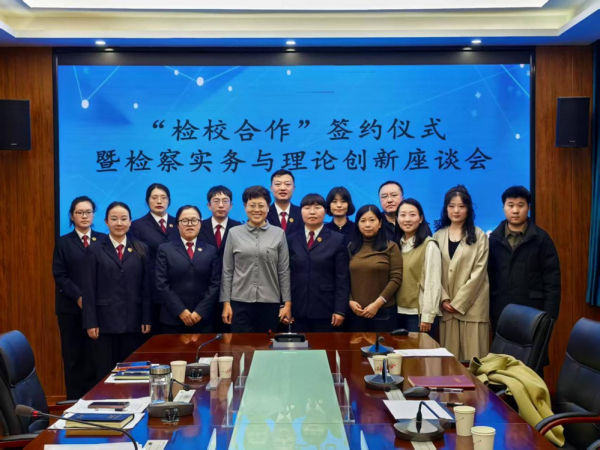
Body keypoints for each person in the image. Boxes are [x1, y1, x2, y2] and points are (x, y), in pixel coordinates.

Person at [83, 202, 151, 380]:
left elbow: (146, 288)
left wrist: (146, 318)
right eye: (114, 219)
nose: (119, 223)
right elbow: (89, 288)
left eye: (123, 219)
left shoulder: (141, 249)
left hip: (134, 322)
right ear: (106, 222)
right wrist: (91, 322)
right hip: (104, 324)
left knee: (132, 373)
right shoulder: (94, 249)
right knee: (105, 372)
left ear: (130, 222)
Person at [52, 196, 106, 399]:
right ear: (72, 216)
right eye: (79, 212)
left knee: (95, 357)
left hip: (99, 310)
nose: (84, 216)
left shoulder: (103, 240)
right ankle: (74, 401)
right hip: (71, 309)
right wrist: (80, 296)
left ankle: (95, 399)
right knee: (73, 357)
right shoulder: (63, 242)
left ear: (94, 215)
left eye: (88, 212)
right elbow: (60, 275)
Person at [488, 186, 560, 333]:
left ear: (528, 208)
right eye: (510, 205)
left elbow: (552, 282)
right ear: (503, 208)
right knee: (502, 348)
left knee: (533, 349)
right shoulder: (493, 240)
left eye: (520, 205)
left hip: (534, 313)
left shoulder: (542, 239)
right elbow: (488, 279)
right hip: (501, 312)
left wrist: (550, 317)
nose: (515, 210)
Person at [221, 186, 292, 333]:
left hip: (269, 303)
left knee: (267, 345)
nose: (256, 210)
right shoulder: (234, 233)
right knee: (240, 345)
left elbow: (284, 271)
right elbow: (227, 271)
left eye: (261, 205)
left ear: (268, 207)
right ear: (245, 207)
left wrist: (287, 303)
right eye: (252, 205)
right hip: (239, 302)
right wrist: (226, 303)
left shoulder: (279, 234)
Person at [433, 185, 489, 360]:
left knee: (474, 360)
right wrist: (443, 299)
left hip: (473, 308)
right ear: (446, 208)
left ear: (468, 209)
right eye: (451, 206)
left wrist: (458, 303)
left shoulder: (479, 236)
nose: (456, 210)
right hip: (446, 309)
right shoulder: (437, 236)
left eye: (461, 206)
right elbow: (433, 272)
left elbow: (479, 273)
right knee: (449, 361)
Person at [287, 193, 350, 332]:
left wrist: (340, 309)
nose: (312, 212)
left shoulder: (337, 239)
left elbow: (342, 278)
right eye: (307, 208)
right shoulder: (291, 239)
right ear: (300, 212)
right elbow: (286, 274)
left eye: (317, 207)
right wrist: (285, 305)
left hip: (326, 308)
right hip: (297, 308)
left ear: (325, 211)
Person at [156, 205, 221, 334]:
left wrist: (200, 311)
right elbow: (161, 283)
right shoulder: (165, 249)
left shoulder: (211, 250)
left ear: (200, 224)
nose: (190, 224)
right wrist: (181, 311)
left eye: (194, 220)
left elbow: (215, 283)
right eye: (185, 221)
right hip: (173, 319)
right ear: (177, 225)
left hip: (203, 319)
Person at [130, 183, 179, 335]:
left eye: (163, 197)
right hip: (152, 290)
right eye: (154, 197)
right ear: (147, 200)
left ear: (169, 200)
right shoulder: (137, 226)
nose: (159, 201)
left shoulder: (179, 223)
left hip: (177, 290)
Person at [347, 205, 403, 332]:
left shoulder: (391, 247)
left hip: (383, 312)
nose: (367, 225)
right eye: (363, 221)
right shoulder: (351, 248)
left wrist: (377, 304)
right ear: (357, 224)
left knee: (383, 345)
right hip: (356, 313)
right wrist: (349, 301)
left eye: (372, 220)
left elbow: (396, 278)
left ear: (380, 223)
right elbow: (344, 279)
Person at [394, 198, 442, 336]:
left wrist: (427, 316)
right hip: (397, 312)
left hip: (418, 315)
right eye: (403, 215)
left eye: (412, 215)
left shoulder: (429, 245)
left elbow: (433, 282)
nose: (407, 219)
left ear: (420, 219)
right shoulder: (396, 245)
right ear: (397, 219)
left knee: (419, 350)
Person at [199, 185, 242, 258]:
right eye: (216, 201)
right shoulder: (200, 227)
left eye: (225, 201)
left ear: (231, 206)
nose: (221, 205)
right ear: (209, 205)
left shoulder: (238, 228)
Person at [267, 169, 304, 234]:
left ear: (293, 188)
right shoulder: (265, 213)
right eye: (278, 184)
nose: (283, 188)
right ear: (271, 188)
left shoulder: (302, 213)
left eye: (287, 184)